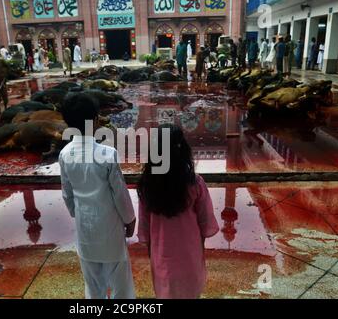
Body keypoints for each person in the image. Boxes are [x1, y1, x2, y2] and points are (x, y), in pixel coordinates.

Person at [59, 92, 136, 299]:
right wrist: (130, 219)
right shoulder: (107, 154)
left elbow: (67, 194)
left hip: (85, 230)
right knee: (121, 284)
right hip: (110, 229)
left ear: (69, 123)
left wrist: (78, 213)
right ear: (94, 120)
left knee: (93, 285)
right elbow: (120, 193)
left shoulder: (65, 154)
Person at [137, 124, 219, 299]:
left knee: (166, 291)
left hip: (161, 254)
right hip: (190, 254)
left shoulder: (147, 184)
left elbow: (144, 225)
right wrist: (200, 248)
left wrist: (151, 250)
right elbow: (205, 222)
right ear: (182, 149)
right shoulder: (195, 183)